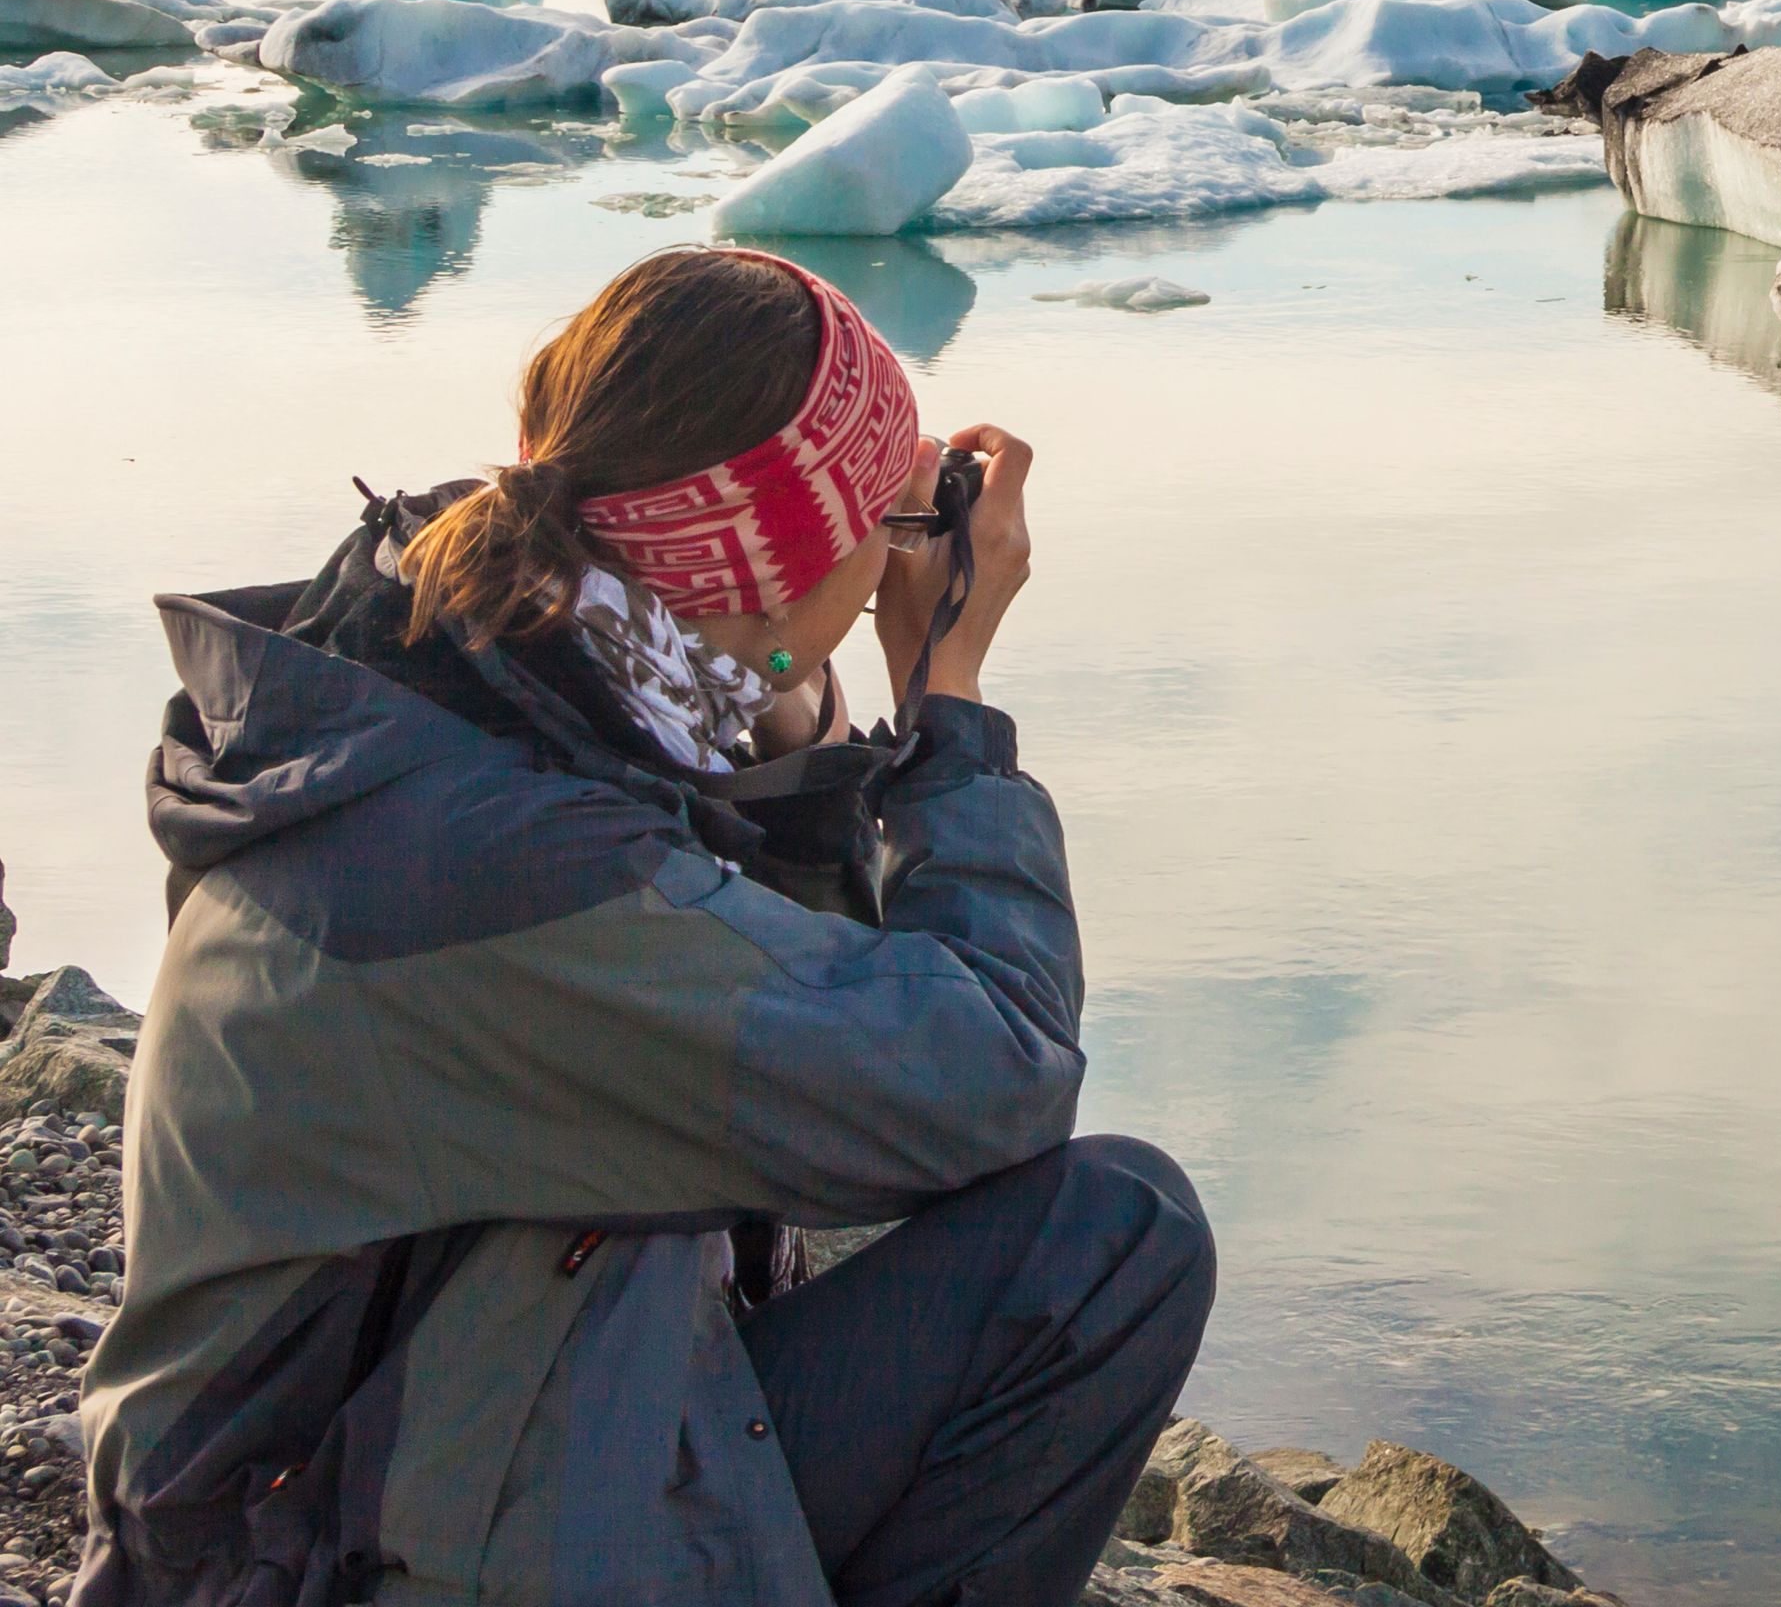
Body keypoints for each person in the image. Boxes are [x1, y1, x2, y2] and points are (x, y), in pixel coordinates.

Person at [69, 247, 1211, 1607]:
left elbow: (811, 1027)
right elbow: (986, 1085)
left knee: (1105, 1237)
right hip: (316, 1555)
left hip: (443, 1437)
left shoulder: (491, 665)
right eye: (880, 524)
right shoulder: (489, 853)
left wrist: (788, 706)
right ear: (773, 558)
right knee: (1114, 1239)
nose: (896, 559)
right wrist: (946, 706)